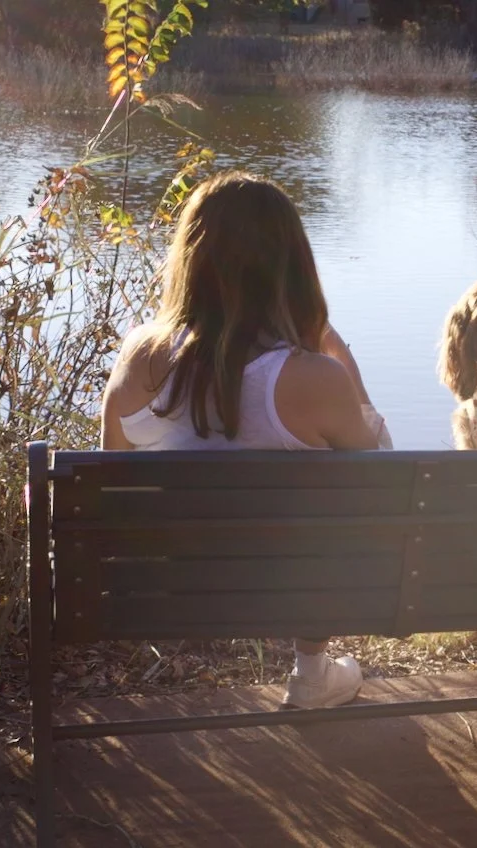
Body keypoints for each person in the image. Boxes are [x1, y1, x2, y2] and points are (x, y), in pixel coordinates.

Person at [100, 170, 391, 710]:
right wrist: (333, 347)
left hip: (157, 592)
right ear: (292, 268)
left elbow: (106, 491)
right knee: (339, 517)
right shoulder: (314, 378)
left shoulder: (137, 355)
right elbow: (383, 481)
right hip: (289, 588)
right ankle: (311, 672)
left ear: (191, 261)